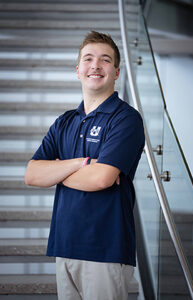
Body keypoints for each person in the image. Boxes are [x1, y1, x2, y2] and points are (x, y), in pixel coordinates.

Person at [25, 31, 145, 300]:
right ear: (77, 70)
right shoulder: (65, 121)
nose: (95, 65)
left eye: (105, 60)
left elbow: (101, 178)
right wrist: (81, 164)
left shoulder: (126, 119)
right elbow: (32, 174)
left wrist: (56, 170)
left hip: (105, 249)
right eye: (88, 59)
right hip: (64, 245)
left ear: (115, 72)